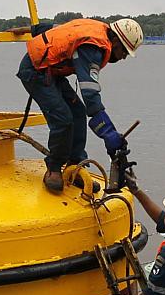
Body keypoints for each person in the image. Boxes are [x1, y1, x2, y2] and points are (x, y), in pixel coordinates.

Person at [18, 17, 143, 192]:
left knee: (77, 111)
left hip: (51, 71)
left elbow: (59, 28)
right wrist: (108, 133)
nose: (123, 57)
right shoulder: (92, 48)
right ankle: (54, 168)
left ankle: (75, 165)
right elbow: (90, 94)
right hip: (35, 71)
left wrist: (31, 29)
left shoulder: (96, 29)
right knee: (63, 119)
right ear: (115, 40)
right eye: (124, 51)